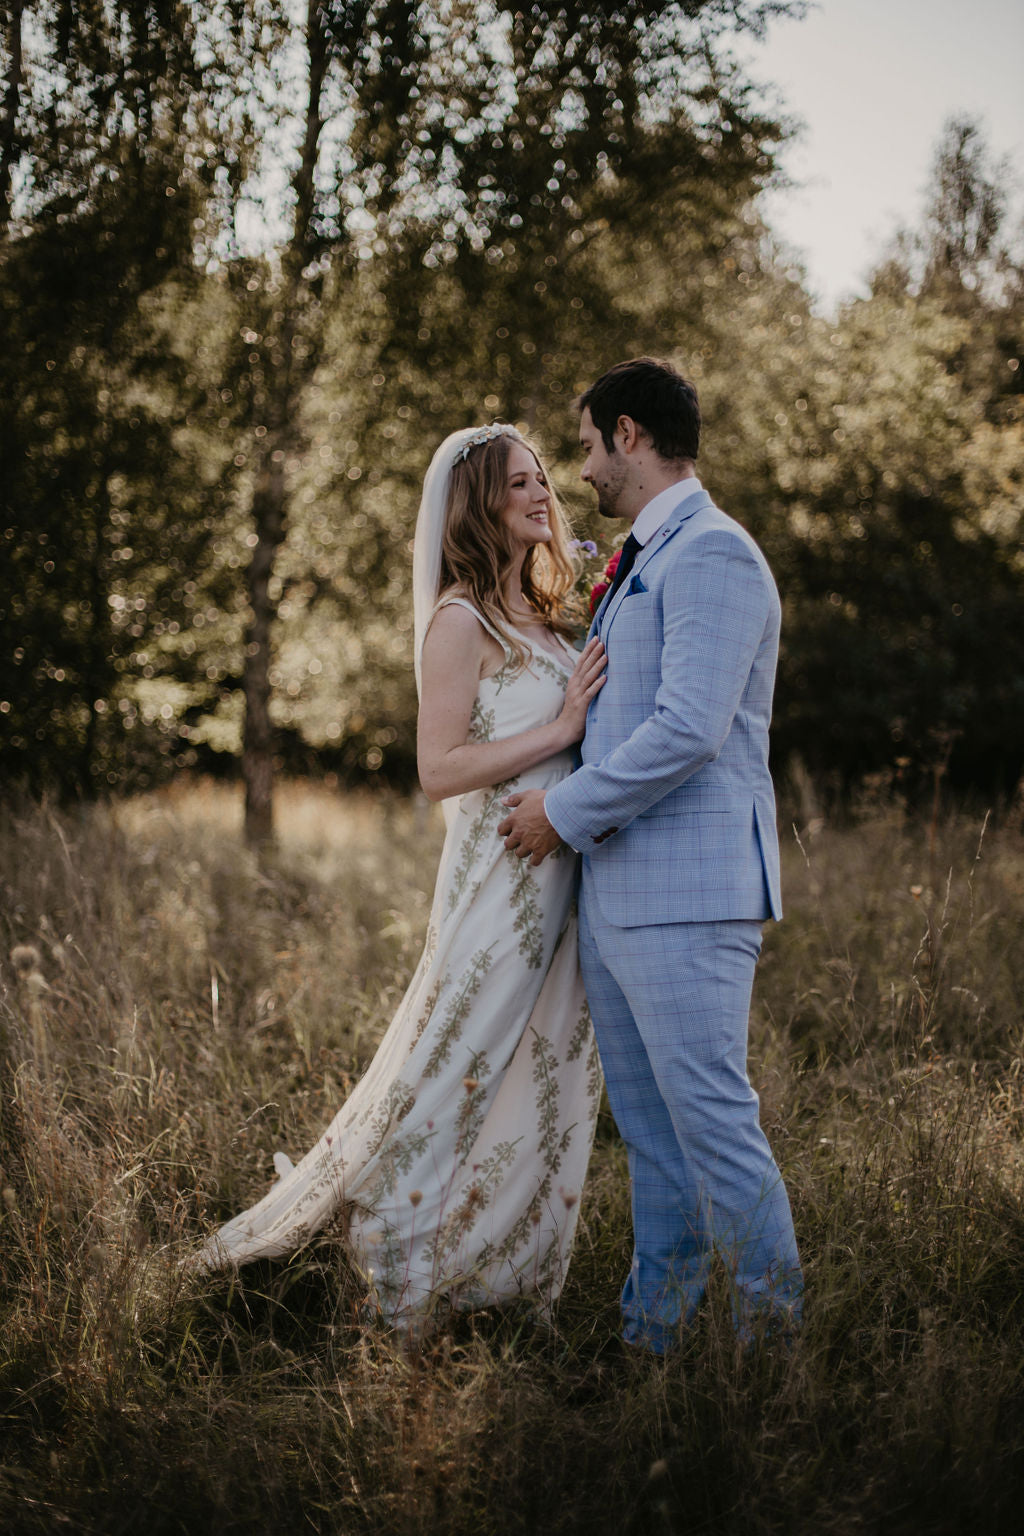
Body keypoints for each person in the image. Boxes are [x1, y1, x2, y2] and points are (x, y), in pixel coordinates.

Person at [194, 423, 606, 1332]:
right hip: (498, 886)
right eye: (517, 486)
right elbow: (439, 769)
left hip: (560, 886)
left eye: (543, 479)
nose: (541, 495)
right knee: (460, 1065)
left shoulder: (541, 619)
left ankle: (497, 1277)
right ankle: (397, 1275)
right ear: (478, 506)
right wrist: (563, 728)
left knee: (542, 1073)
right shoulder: (460, 620)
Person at [498, 358, 803, 1352]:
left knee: (711, 1125)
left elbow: (685, 730)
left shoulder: (711, 552)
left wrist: (561, 814)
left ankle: (770, 1345)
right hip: (622, 896)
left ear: (629, 434)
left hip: (687, 895)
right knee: (656, 1140)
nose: (579, 471)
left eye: (585, 446)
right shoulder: (644, 554)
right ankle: (654, 1334)